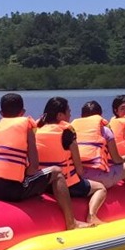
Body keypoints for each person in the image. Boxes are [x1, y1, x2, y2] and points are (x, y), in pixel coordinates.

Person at [0, 92, 88, 230]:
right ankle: (71, 222)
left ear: (1, 112)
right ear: (23, 112)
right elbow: (33, 168)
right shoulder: (26, 127)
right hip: (9, 190)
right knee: (57, 172)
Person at [35, 97, 107, 226]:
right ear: (60, 115)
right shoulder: (67, 134)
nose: (70, 114)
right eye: (68, 111)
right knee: (100, 188)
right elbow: (79, 170)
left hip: (44, 184)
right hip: (67, 185)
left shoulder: (37, 131)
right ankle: (92, 215)